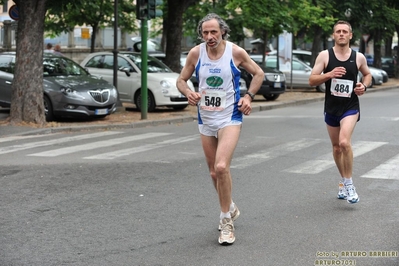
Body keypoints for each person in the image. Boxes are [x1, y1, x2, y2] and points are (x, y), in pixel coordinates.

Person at [176, 13, 264, 245]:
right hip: (205, 118)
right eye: (205, 33)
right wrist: (188, 93)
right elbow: (181, 80)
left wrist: (248, 97)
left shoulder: (235, 52)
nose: (209, 36)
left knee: (222, 166)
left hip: (230, 116)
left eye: (214, 32)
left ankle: (226, 220)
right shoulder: (196, 53)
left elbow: (258, 74)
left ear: (223, 31)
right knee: (214, 173)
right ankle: (231, 206)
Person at [309, 20, 372, 204]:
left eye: (345, 31)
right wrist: (329, 74)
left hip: (350, 107)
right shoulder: (324, 56)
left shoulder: (358, 57)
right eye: (338, 31)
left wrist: (364, 86)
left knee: (344, 142)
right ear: (333, 35)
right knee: (336, 147)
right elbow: (312, 80)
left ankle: (349, 183)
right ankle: (343, 181)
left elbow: (367, 75)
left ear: (351, 35)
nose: (342, 34)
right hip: (331, 108)